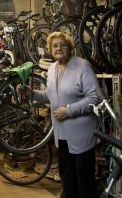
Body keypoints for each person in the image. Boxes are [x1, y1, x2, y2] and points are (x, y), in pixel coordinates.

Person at [28, 32, 100, 198]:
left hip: (82, 135)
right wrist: (32, 94)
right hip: (62, 136)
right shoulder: (52, 68)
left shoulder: (82, 66)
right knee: (67, 179)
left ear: (69, 47)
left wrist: (69, 110)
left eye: (63, 45)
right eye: (55, 46)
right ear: (50, 49)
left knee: (84, 182)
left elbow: (94, 97)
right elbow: (51, 96)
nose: (58, 48)